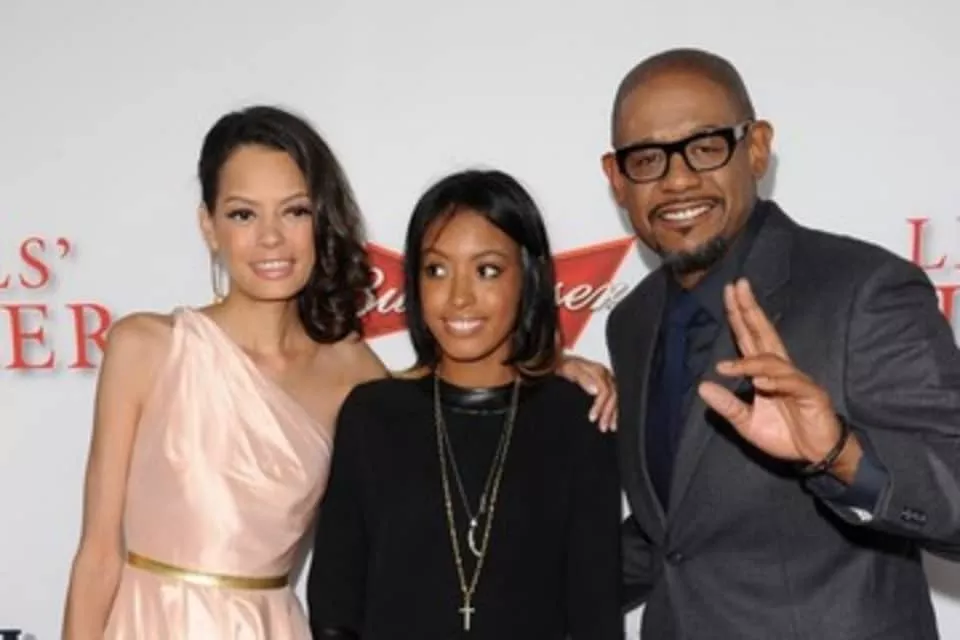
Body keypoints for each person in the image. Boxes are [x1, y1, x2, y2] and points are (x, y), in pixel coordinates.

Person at [60, 106, 615, 639]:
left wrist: (551, 367)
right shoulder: (146, 347)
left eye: (295, 211)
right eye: (243, 214)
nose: (271, 238)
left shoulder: (351, 372)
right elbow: (98, 556)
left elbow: (446, 394)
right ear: (209, 225)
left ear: (321, 220)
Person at [601, 48, 960, 640]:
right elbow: (676, 535)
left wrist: (839, 455)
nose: (677, 179)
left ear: (757, 148)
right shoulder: (632, 321)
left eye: (706, 146)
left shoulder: (862, 288)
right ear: (617, 180)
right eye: (646, 159)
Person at [306, 169, 623, 639]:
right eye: (436, 270)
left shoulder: (575, 418)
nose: (459, 297)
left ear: (529, 275)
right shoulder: (373, 417)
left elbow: (596, 614)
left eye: (487, 270)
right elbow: (335, 604)